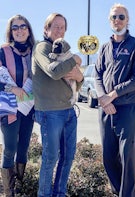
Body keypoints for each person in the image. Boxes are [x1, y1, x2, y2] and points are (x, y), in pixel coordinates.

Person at [95, 3, 135, 197]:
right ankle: (117, 193)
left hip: (126, 109)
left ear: (128, 20)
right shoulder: (105, 47)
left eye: (121, 17)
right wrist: (103, 99)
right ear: (110, 21)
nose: (117, 21)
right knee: (108, 157)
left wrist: (113, 95)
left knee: (127, 157)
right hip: (105, 109)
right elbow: (98, 75)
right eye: (114, 17)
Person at [32, 13, 84, 197]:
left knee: (67, 157)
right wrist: (76, 60)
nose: (59, 30)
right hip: (50, 113)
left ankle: (59, 193)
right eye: (55, 26)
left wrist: (80, 77)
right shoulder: (42, 48)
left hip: (69, 111)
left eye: (62, 27)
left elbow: (77, 81)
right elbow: (54, 72)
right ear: (46, 29)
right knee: (50, 158)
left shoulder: (63, 51)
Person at [0, 14, 35, 196]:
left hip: (28, 109)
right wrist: (11, 88)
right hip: (9, 109)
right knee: (10, 149)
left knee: (23, 149)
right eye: (15, 27)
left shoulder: (36, 52)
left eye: (23, 26)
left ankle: (19, 186)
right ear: (10, 32)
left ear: (28, 30)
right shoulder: (3, 52)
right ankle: (8, 191)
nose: (19, 30)